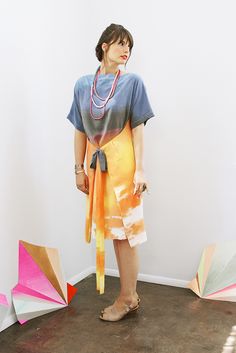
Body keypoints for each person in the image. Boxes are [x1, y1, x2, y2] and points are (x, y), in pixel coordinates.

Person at [66, 23, 155, 321]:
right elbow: (79, 130)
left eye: (129, 44)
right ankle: (129, 296)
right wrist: (78, 169)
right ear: (104, 46)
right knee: (110, 231)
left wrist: (140, 171)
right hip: (97, 169)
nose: (126, 49)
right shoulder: (82, 85)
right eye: (119, 43)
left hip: (123, 165)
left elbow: (138, 129)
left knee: (125, 234)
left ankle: (128, 298)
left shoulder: (133, 83)